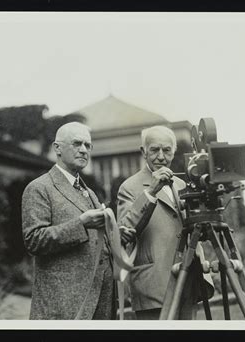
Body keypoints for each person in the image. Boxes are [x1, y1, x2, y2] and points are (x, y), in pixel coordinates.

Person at [117, 126, 213, 320]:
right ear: (143, 152)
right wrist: (151, 191)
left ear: (174, 151)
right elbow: (124, 231)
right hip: (154, 284)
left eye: (167, 150)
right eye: (154, 150)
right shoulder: (129, 187)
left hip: (188, 279)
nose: (161, 156)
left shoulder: (182, 184)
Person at [21, 122, 115, 320]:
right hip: (64, 305)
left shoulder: (89, 192)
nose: (83, 150)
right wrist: (81, 224)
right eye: (76, 144)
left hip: (101, 302)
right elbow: (33, 240)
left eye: (88, 145)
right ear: (57, 148)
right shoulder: (39, 188)